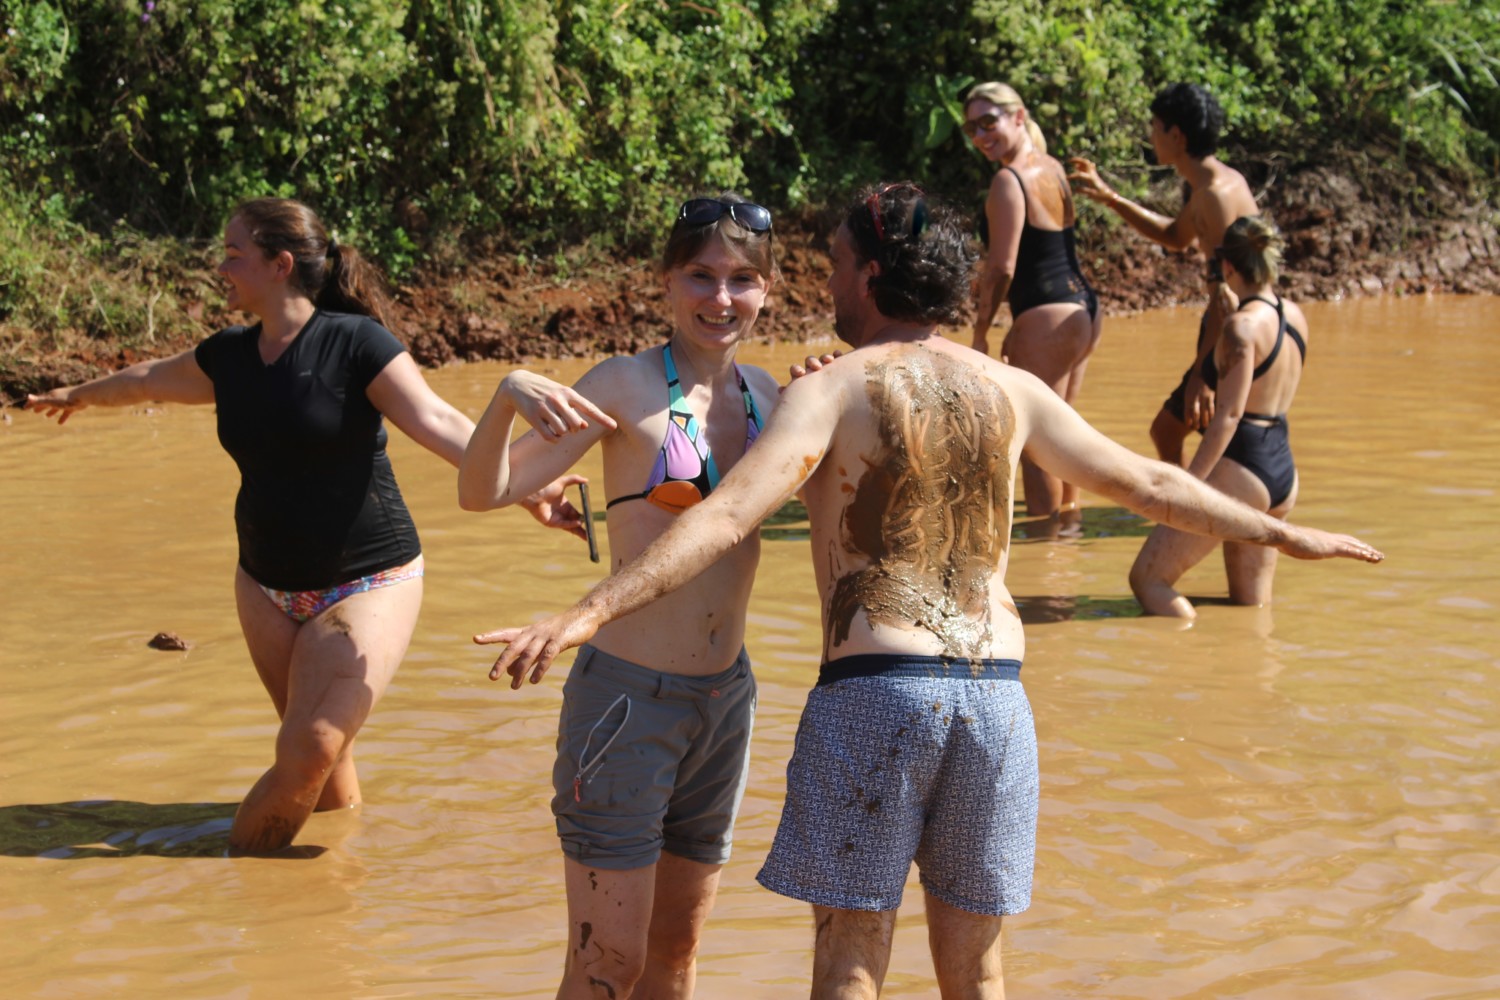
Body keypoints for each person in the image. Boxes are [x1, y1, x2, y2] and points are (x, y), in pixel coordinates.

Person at [473, 183, 1383, 998]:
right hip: (998, 704)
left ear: (868, 275)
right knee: (979, 974)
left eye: (829, 265)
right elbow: (1148, 482)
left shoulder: (822, 390)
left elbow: (723, 519)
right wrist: (1283, 531)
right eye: (704, 277)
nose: (813, 287)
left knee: (851, 964)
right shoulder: (1012, 386)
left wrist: (585, 610)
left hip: (878, 693)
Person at [24, 197, 579, 854]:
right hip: (264, 584)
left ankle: (237, 888)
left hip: (368, 580)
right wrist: (76, 396)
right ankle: (328, 901)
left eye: (233, 253)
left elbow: (441, 424)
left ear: (279, 263)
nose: (221, 266)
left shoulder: (355, 343)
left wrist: (528, 487)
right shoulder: (228, 358)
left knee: (309, 745)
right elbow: (148, 381)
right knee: (324, 764)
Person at [457, 194, 783, 1000]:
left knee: (674, 956)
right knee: (609, 964)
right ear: (667, 282)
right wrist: (505, 398)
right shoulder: (625, 383)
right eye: (701, 276)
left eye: (742, 280)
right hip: (627, 704)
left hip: (726, 699)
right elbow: (483, 490)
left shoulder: (773, 398)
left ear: (768, 291)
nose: (721, 298)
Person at [1068, 82, 1259, 466]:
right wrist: (1111, 197)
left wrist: (1203, 376)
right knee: (1176, 433)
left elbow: (1229, 298)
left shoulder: (1216, 195)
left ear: (1176, 135)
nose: (1150, 136)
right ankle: (1193, 513)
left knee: (1178, 432)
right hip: (1232, 323)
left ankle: (1190, 514)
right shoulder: (1209, 184)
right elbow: (1175, 236)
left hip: (1239, 327)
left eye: (1154, 127)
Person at [1129, 217, 1309, 617]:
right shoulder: (1295, 314)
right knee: (1251, 606)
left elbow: (1228, 416)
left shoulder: (1241, 328)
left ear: (1227, 268)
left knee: (1147, 581)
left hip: (1243, 466)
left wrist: (1189, 484)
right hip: (1282, 467)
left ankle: (1182, 659)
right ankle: (1245, 672)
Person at [963, 82, 1102, 518]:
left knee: (1036, 444)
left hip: (1046, 316)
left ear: (1018, 116)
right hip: (1084, 309)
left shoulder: (1008, 180)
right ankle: (1069, 525)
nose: (981, 136)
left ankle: (1046, 549)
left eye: (989, 122)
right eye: (972, 128)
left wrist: (981, 332)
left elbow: (1002, 268)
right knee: (1063, 436)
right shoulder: (1051, 166)